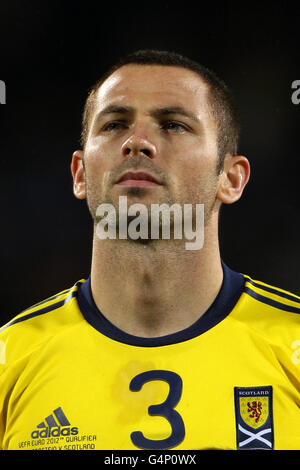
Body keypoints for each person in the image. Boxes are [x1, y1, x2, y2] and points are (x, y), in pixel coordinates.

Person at [0, 49, 299, 451]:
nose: (136, 142)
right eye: (114, 124)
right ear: (80, 173)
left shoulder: (291, 348)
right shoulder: (9, 360)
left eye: (173, 125)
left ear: (231, 178)